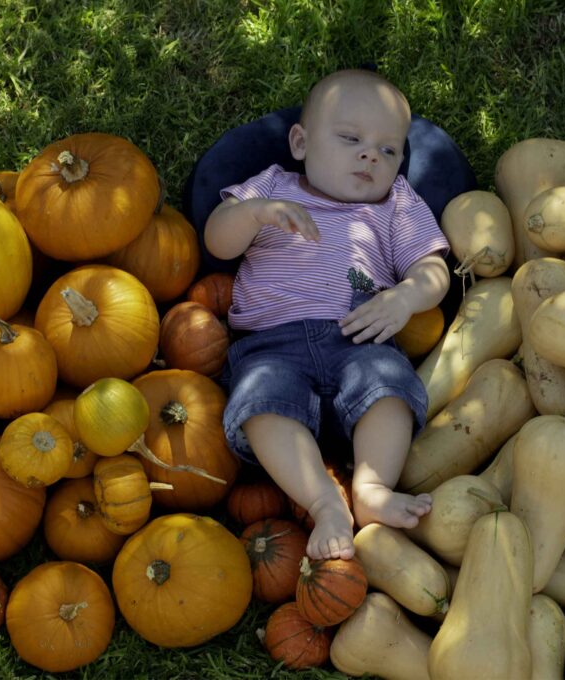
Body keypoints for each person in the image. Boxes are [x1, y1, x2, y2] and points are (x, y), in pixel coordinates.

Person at [204, 69, 450, 560]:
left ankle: (372, 488)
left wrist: (404, 298)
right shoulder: (272, 187)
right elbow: (216, 240)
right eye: (350, 139)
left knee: (390, 390)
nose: (370, 156)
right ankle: (324, 502)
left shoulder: (395, 204)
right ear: (300, 142)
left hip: (358, 338)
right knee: (261, 406)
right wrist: (255, 214)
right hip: (271, 346)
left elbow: (433, 268)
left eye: (388, 150)